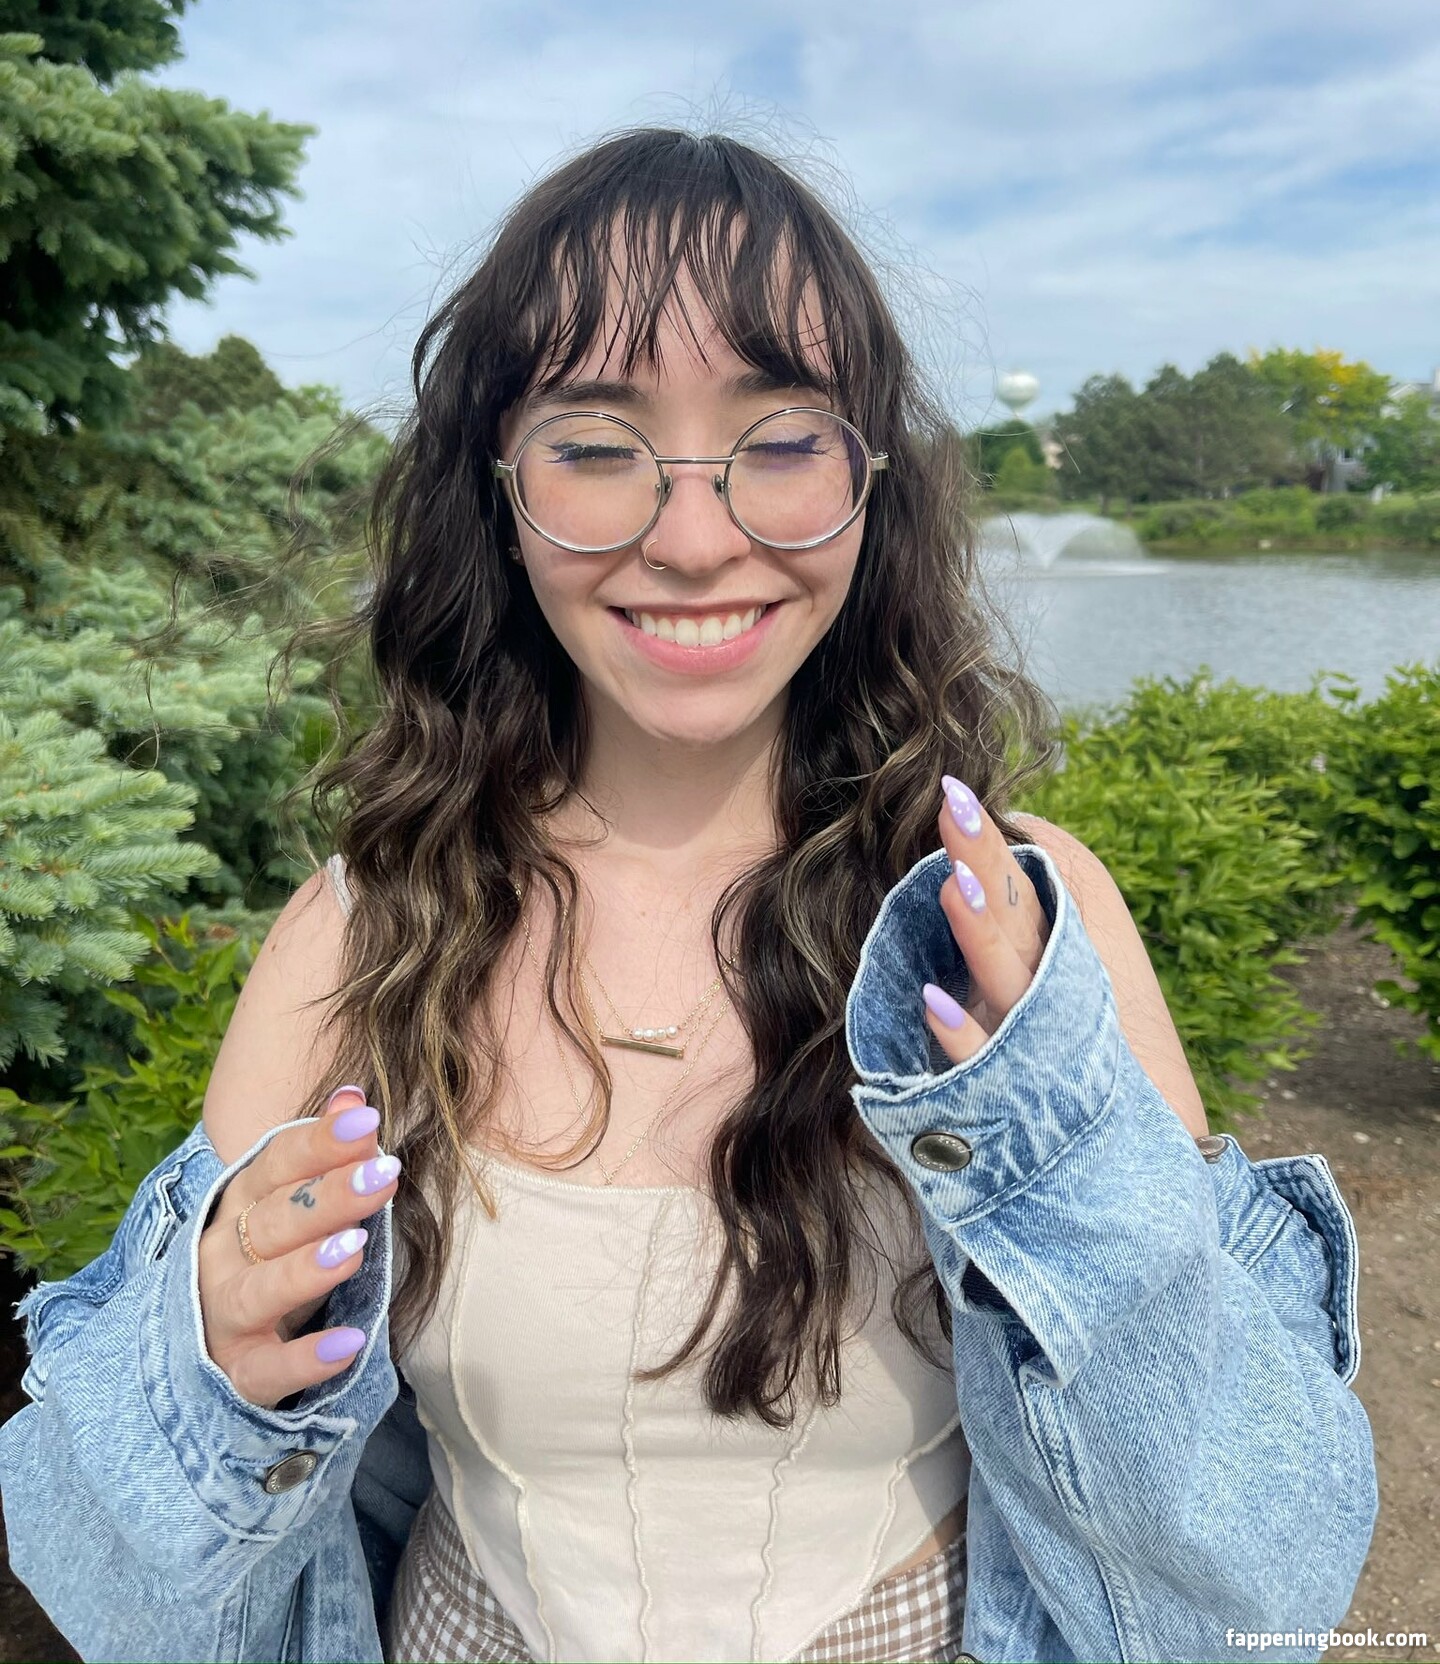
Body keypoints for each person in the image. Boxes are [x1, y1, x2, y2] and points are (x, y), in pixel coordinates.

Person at [1, 129, 1376, 1664]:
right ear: (501, 493)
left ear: (871, 484)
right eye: (597, 445)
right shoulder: (365, 934)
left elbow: (1254, 1582)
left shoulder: (1015, 929)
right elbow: (124, 1599)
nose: (699, 538)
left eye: (781, 440)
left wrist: (1072, 1163)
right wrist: (207, 1374)